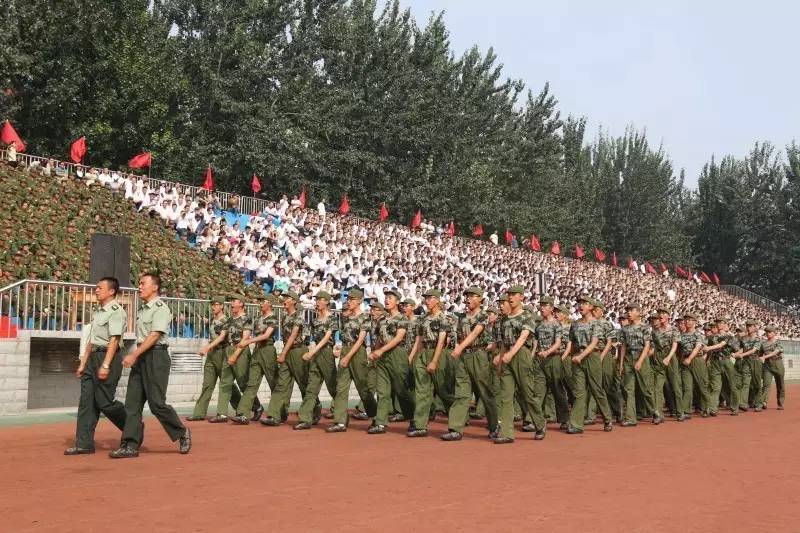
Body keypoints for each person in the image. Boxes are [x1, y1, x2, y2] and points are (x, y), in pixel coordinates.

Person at [110, 273, 191, 458]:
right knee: (132, 403)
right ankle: (130, 444)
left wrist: (134, 355)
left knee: (157, 404)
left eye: (143, 283)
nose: (139, 286)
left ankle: (182, 432)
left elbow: (154, 336)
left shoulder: (160, 308)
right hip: (142, 355)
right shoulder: (143, 309)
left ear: (155, 287)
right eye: (139, 283)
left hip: (156, 356)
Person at [65, 277, 128, 455]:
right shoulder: (98, 312)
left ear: (112, 291)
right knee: (86, 402)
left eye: (100, 288)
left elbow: (114, 340)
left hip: (108, 357)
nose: (96, 290)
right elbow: (91, 341)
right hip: (92, 358)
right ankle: (84, 443)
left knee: (105, 402)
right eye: (96, 287)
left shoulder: (116, 311)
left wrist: (106, 364)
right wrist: (83, 363)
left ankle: (133, 427)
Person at [442, 286, 498, 441]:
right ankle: (455, 428)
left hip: (478, 355)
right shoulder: (461, 317)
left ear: (480, 299)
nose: (468, 299)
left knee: (485, 392)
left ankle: (494, 425)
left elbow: (475, 333)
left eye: (472, 296)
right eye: (466, 296)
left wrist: (459, 348)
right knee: (461, 392)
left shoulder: (483, 316)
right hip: (464, 357)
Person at [492, 285, 546, 443]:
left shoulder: (527, 316)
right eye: (509, 294)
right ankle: (507, 433)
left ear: (521, 297)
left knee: (527, 393)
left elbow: (523, 337)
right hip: (507, 355)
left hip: (521, 354)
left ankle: (540, 424)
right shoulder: (503, 320)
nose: (510, 297)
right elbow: (502, 342)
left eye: (514, 294)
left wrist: (510, 354)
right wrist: (501, 358)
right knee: (506, 395)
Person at [408, 289, 455, 438]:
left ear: (437, 300)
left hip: (438, 353)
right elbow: (419, 339)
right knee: (422, 391)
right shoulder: (423, 318)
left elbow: (442, 341)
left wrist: (434, 360)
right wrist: (413, 356)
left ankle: (457, 418)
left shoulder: (443, 318)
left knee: (443, 390)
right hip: (424, 353)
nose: (427, 301)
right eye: (426, 298)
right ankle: (420, 425)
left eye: (430, 298)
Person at [327, 289, 377, 432]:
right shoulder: (346, 317)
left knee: (363, 388)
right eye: (348, 299)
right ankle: (340, 421)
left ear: (360, 301)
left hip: (357, 352)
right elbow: (344, 337)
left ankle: (375, 417)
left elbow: (360, 339)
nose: (349, 301)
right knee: (341, 388)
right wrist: (339, 348)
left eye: (353, 299)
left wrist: (348, 357)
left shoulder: (365, 318)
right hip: (345, 350)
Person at [367, 289, 415, 434]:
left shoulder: (402, 318)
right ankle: (381, 422)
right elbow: (378, 339)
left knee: (402, 390)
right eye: (386, 297)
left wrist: (380, 351)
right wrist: (375, 354)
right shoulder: (381, 320)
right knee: (383, 391)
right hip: (382, 357)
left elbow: (399, 337)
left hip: (397, 354)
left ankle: (414, 417)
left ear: (397, 302)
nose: (387, 300)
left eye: (390, 298)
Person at [231, 295, 283, 424]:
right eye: (259, 301)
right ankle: (243, 413)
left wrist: (247, 342)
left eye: (263, 301)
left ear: (269, 304)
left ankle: (279, 412)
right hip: (257, 350)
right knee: (251, 383)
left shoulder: (273, 318)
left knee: (274, 383)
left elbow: (266, 335)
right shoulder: (258, 318)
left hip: (268, 350)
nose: (260, 304)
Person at [186, 296, 239, 421]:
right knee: (207, 384)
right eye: (212, 305)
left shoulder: (226, 320)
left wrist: (206, 347)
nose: (213, 307)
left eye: (215, 305)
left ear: (221, 306)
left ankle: (237, 409)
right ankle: (199, 413)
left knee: (227, 384)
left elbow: (221, 337)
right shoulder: (212, 319)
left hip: (222, 353)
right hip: (212, 354)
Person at [211, 295, 262, 422]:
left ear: (241, 304)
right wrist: (209, 347)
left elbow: (245, 339)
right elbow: (222, 336)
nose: (231, 304)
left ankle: (257, 407)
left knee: (243, 382)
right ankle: (222, 413)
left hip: (241, 350)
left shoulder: (247, 318)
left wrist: (235, 355)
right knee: (225, 382)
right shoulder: (229, 319)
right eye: (231, 301)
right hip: (229, 349)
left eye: (234, 301)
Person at [566, 296, 613, 434]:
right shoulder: (574, 324)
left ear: (591, 307)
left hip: (592, 356)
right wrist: (573, 356)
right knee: (579, 392)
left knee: (596, 389)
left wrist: (580, 356)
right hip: (578, 358)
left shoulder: (596, 323)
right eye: (580, 303)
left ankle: (607, 419)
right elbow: (572, 342)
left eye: (585, 303)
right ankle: (576, 424)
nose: (581, 306)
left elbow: (594, 343)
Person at [261, 291, 307, 426]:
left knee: (303, 383)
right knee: (281, 384)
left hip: (297, 351)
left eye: (287, 298)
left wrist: (282, 353)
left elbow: (293, 337)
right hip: (288, 352)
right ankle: (275, 415)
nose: (284, 300)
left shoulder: (298, 317)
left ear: (294, 301)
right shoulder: (285, 317)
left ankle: (312, 410)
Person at [294, 291, 338, 430]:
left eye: (319, 300)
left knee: (333, 387)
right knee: (311, 387)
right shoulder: (315, 319)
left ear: (326, 301)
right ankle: (306, 418)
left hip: (325, 353)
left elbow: (327, 338)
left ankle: (341, 416)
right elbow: (312, 337)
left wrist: (312, 352)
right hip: (316, 353)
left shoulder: (332, 318)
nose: (317, 302)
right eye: (316, 300)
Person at [618, 303, 661, 426]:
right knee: (628, 389)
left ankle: (655, 412)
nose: (629, 313)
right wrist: (621, 364)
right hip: (628, 358)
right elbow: (623, 346)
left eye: (631, 310)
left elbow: (647, 346)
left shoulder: (645, 327)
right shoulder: (624, 329)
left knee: (646, 388)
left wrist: (640, 361)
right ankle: (631, 418)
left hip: (641, 356)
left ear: (639, 312)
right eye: (627, 311)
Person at [534, 295, 569, 430]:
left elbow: (558, 343)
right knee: (538, 391)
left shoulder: (556, 325)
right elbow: (536, 342)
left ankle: (564, 419)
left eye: (545, 306)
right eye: (541, 306)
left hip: (553, 359)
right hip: (541, 360)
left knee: (557, 390)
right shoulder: (539, 325)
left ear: (551, 308)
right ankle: (535, 421)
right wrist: (534, 354)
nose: (541, 308)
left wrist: (547, 352)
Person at [650, 306, 684, 420]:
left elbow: (675, 345)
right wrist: (655, 357)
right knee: (657, 387)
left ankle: (680, 411)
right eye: (659, 313)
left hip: (670, 356)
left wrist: (668, 357)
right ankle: (658, 413)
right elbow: (654, 346)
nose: (661, 315)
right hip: (659, 357)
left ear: (668, 316)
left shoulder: (674, 329)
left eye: (663, 313)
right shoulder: (655, 331)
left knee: (675, 386)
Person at [704, 318, 739, 416]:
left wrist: (709, 348)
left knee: (732, 386)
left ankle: (734, 407)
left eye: (721, 323)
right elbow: (706, 347)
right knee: (715, 386)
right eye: (717, 323)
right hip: (715, 362)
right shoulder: (712, 338)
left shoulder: (728, 337)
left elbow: (721, 345)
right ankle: (712, 408)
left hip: (726, 361)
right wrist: (705, 359)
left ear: (725, 324)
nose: (718, 324)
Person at [677, 313, 710, 419]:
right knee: (687, 387)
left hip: (697, 360)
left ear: (695, 322)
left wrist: (690, 358)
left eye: (690, 320)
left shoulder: (698, 334)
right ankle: (685, 411)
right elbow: (679, 350)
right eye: (686, 320)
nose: (687, 322)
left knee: (702, 386)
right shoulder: (681, 335)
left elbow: (698, 347)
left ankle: (706, 408)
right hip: (685, 361)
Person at [733, 319, 762, 411]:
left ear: (755, 327)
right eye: (747, 326)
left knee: (756, 383)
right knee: (745, 382)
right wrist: (737, 353)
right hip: (746, 362)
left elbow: (754, 350)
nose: (748, 328)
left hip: (755, 361)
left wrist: (741, 355)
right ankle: (743, 403)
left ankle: (758, 404)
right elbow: (743, 348)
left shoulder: (758, 338)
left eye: (750, 326)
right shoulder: (744, 338)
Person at [759, 325, 785, 410]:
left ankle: (780, 403)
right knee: (766, 384)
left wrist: (764, 357)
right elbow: (760, 355)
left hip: (778, 364)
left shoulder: (778, 342)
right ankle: (764, 402)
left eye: (769, 332)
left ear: (774, 333)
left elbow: (776, 352)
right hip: (767, 366)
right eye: (766, 332)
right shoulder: (763, 344)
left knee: (780, 384)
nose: (767, 334)